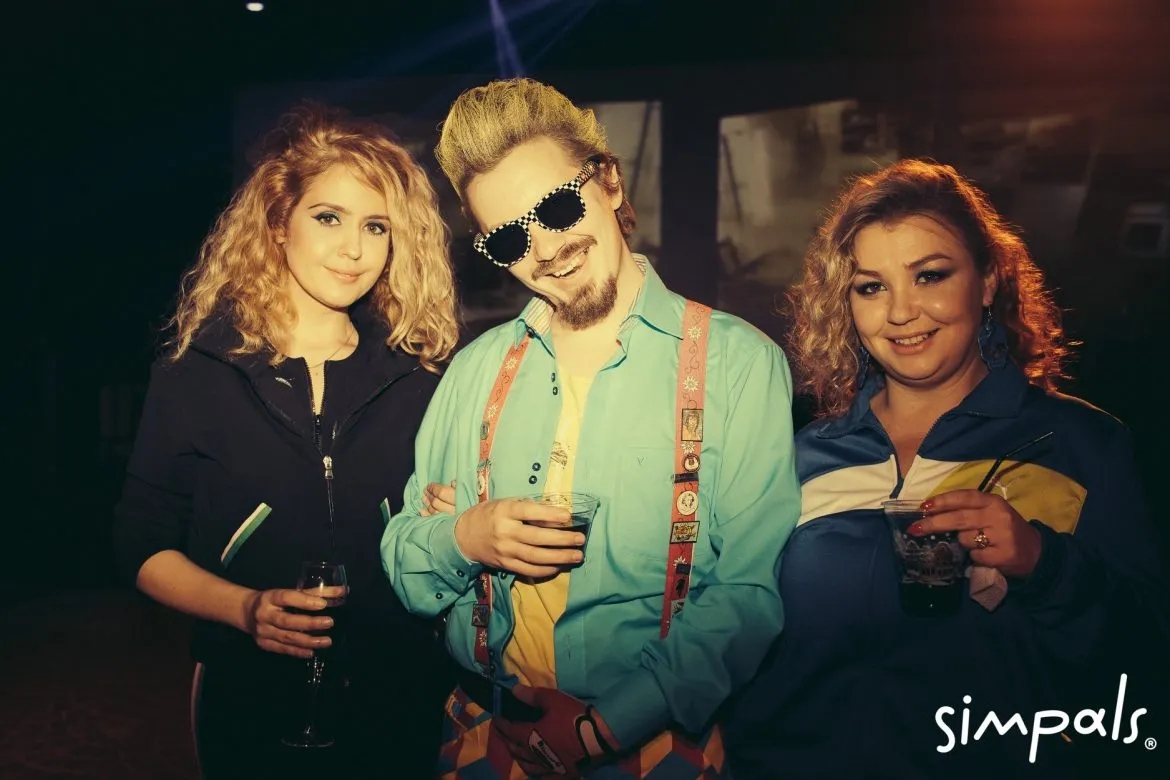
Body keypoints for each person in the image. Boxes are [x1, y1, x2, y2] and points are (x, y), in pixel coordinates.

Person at [380, 78, 800, 779]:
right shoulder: (474, 372)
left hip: (653, 745)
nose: (544, 249)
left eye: (556, 207)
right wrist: (465, 537)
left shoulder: (736, 364)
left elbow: (748, 594)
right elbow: (403, 558)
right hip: (485, 737)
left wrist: (604, 728)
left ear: (608, 180)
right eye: (510, 237)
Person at [725, 159, 1170, 779]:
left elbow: (1148, 659)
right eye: (871, 287)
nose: (901, 312)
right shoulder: (801, 456)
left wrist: (1045, 564)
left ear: (987, 280)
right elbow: (734, 635)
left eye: (929, 276)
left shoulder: (1079, 444)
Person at [114, 104, 459, 779]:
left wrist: (449, 517)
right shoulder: (198, 371)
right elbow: (141, 545)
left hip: (398, 693)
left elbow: (440, 535)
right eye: (328, 218)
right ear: (278, 223)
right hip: (248, 693)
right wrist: (245, 609)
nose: (353, 249)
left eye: (376, 226)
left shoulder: (421, 379)